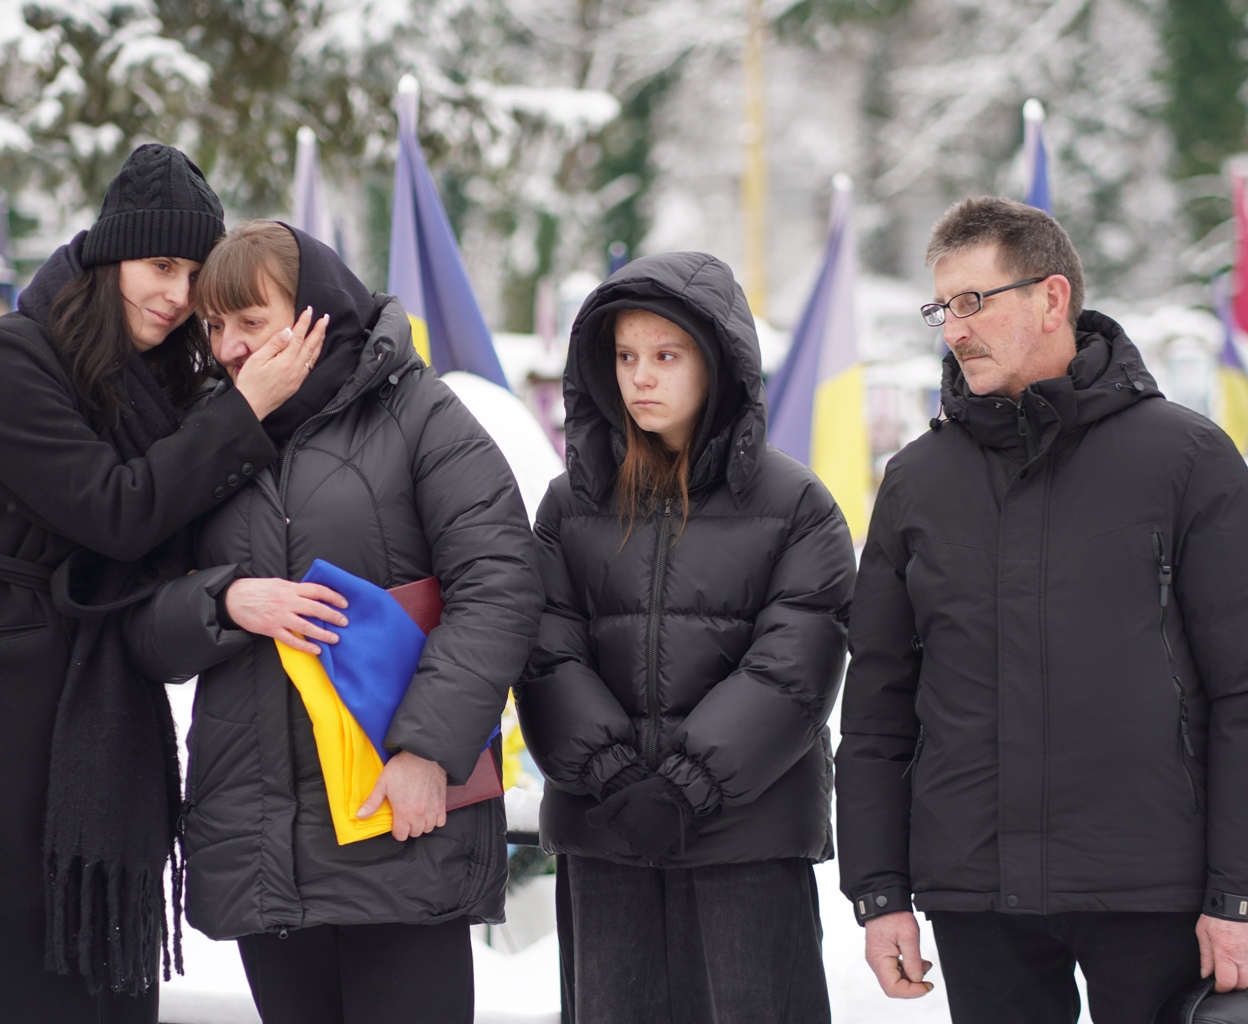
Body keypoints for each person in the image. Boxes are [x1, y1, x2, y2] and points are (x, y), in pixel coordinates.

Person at [0, 147, 324, 1024]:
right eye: (160, 265)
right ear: (110, 256)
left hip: (84, 682)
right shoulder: (8, 359)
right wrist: (245, 408)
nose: (178, 294)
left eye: (194, 274)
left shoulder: (166, 383)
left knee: (74, 953)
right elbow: (117, 511)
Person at [836, 196, 1248, 1024]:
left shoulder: (1188, 459)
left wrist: (1236, 891)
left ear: (1052, 298)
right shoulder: (916, 481)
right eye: (942, 309)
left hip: (1154, 889)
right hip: (977, 894)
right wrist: (878, 892)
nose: (954, 330)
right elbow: (878, 706)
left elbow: (1241, 690)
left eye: (972, 301)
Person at [122, 220, 541, 1024]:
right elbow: (139, 619)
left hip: (400, 818)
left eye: (252, 320)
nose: (230, 347)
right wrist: (225, 601)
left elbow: (499, 584)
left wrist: (427, 751)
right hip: (260, 840)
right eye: (214, 326)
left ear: (316, 310)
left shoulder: (419, 413)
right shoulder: (202, 435)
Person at [513, 251, 855, 1024]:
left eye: (666, 356)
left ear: (717, 364)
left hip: (745, 839)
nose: (641, 377)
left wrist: (685, 788)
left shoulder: (796, 505)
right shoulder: (569, 506)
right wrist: (613, 778)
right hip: (606, 832)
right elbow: (545, 651)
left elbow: (793, 668)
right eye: (625, 356)